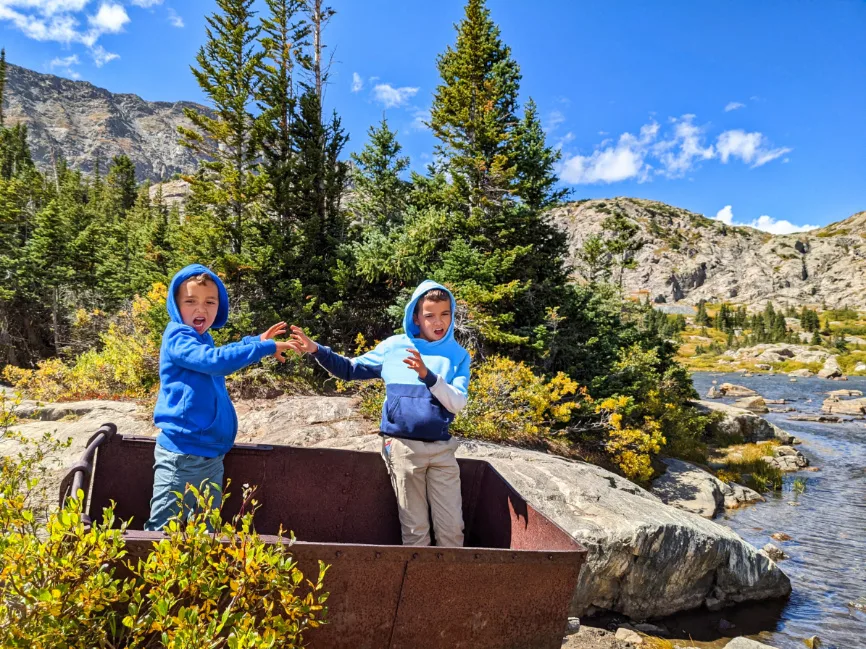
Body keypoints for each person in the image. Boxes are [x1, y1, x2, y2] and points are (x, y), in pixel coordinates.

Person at [288, 280, 471, 546]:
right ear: (416, 318)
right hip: (403, 448)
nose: (438, 321)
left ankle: (448, 587)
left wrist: (428, 376)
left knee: (452, 532)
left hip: (443, 451)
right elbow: (350, 370)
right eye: (429, 315)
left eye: (445, 314)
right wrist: (317, 350)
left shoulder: (458, 355)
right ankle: (421, 587)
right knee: (416, 531)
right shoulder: (394, 347)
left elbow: (457, 403)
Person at [144, 264, 293, 531]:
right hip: (182, 456)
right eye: (190, 301)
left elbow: (219, 353)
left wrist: (253, 341)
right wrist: (264, 347)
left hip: (209, 455)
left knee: (205, 530)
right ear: (176, 305)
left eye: (210, 302)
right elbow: (214, 362)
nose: (201, 309)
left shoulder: (201, 337)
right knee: (164, 532)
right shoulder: (178, 336)